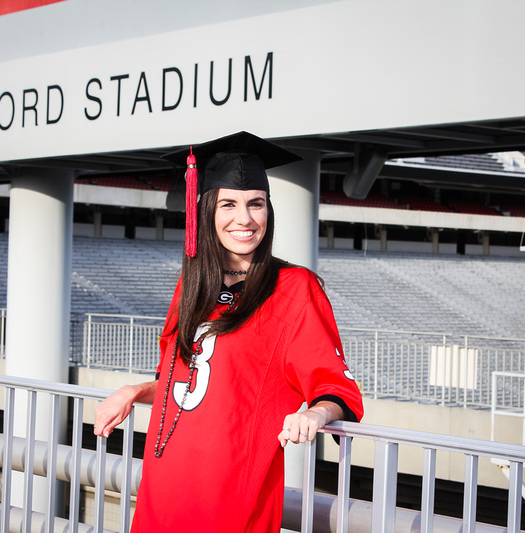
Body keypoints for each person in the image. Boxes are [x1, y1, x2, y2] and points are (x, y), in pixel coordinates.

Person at [93, 131, 364, 532]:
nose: (245, 218)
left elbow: (337, 389)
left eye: (256, 203)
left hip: (230, 495)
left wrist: (315, 413)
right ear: (206, 211)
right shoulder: (192, 285)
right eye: (229, 204)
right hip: (164, 483)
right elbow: (183, 383)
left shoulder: (293, 289)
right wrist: (135, 391)